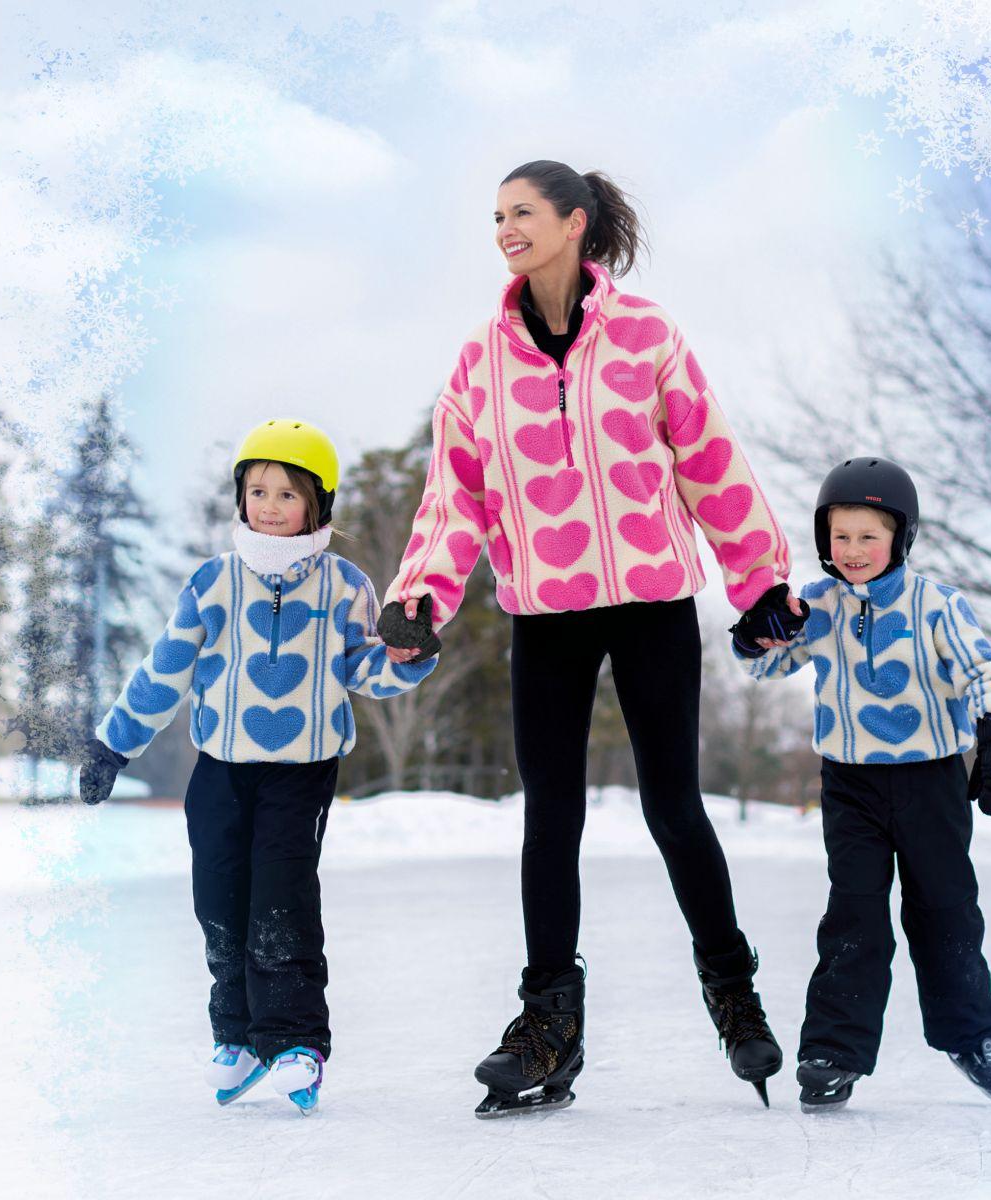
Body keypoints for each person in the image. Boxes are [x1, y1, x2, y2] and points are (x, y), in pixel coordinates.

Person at [379, 159, 801, 1116]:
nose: (505, 229)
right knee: (551, 817)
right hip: (546, 612)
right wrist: (421, 595)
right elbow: (457, 494)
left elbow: (710, 461)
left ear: (574, 222)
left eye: (523, 212)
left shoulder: (646, 335)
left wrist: (761, 581)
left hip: (652, 601)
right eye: (496, 215)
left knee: (673, 807)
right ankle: (548, 1027)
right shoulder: (480, 361)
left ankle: (734, 994)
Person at [78, 418, 438, 1114]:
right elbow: (165, 669)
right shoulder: (213, 582)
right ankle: (237, 1036)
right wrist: (114, 743)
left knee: (282, 899)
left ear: (317, 504)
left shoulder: (345, 586)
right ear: (240, 498)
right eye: (258, 491)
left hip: (301, 772)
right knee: (218, 902)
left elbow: (365, 671)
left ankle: (295, 1040)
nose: (270, 506)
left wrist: (409, 657)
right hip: (220, 771)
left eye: (288, 493)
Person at [731, 456, 991, 1111]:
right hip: (850, 786)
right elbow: (765, 667)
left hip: (931, 782)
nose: (853, 550)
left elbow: (984, 672)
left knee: (946, 911)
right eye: (840, 536)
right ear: (823, 539)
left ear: (901, 537)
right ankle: (833, 1051)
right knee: (854, 915)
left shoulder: (936, 605)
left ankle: (970, 1035)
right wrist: (756, 632)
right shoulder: (818, 604)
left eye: (868, 535)